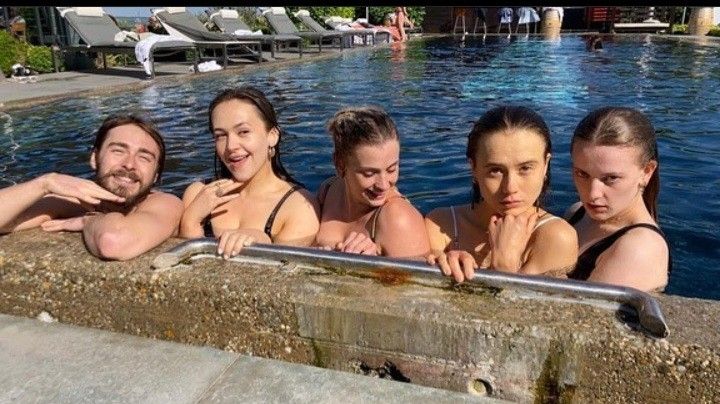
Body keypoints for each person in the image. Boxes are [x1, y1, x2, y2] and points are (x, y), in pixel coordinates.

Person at [425, 106, 578, 282]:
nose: (510, 187)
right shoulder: (440, 225)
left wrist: (504, 267)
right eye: (495, 170)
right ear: (473, 168)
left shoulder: (555, 238)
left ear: (545, 165)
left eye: (525, 168)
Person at [0, 114, 183, 261]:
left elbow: (114, 241)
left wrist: (87, 221)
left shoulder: (165, 203)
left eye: (144, 158)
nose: (129, 164)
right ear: (94, 158)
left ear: (156, 175)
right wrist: (44, 184)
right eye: (118, 151)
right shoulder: (75, 201)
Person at [179, 86, 319, 259]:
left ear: (272, 136)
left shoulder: (298, 207)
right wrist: (190, 220)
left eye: (243, 132)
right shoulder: (197, 194)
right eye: (220, 135)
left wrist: (263, 241)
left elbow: (281, 277)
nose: (230, 146)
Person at [565, 107, 670, 292]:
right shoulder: (577, 212)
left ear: (647, 172)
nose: (593, 194)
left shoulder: (640, 248)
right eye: (582, 174)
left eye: (611, 178)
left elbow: (581, 317)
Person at [314, 106, 430, 258]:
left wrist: (376, 266)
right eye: (369, 173)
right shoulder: (329, 190)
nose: (383, 185)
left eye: (391, 169)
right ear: (340, 165)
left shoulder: (398, 219)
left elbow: (416, 280)